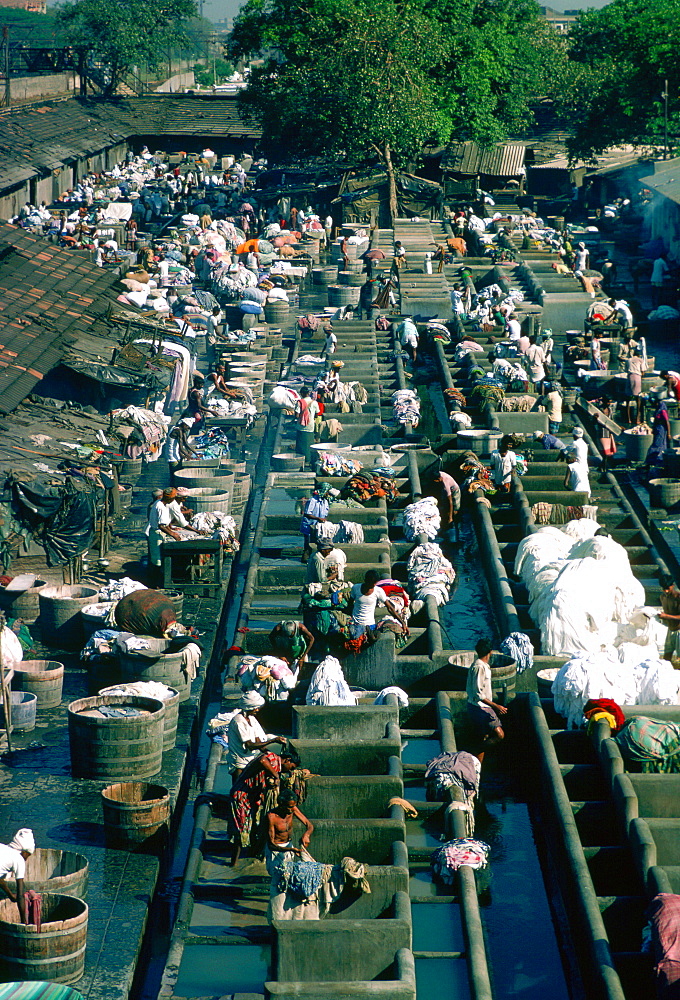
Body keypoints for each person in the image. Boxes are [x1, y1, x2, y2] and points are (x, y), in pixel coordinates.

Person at [229, 747, 304, 865]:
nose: (290, 771)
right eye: (291, 767)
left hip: (251, 797)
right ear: (287, 760)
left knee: (253, 826)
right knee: (242, 829)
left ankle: (250, 856)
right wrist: (276, 776)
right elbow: (262, 761)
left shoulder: (276, 763)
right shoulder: (273, 759)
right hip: (241, 795)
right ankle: (233, 864)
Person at [226, 691, 286, 780]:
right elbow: (250, 745)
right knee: (238, 789)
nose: (257, 710)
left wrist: (271, 754)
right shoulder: (238, 721)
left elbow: (258, 741)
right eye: (255, 708)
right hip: (239, 762)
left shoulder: (252, 719)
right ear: (248, 707)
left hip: (250, 759)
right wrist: (273, 740)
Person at [465, 638, 506, 763]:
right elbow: (478, 694)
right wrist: (495, 706)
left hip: (479, 706)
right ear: (490, 652)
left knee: (484, 737)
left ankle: (477, 767)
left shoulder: (482, 666)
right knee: (500, 735)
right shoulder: (479, 667)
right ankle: (473, 751)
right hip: (480, 708)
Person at [349, 569, 406, 640]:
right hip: (355, 623)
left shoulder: (378, 591)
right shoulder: (356, 588)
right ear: (365, 580)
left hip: (369, 625)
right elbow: (350, 604)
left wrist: (402, 623)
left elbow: (390, 608)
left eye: (374, 583)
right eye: (370, 583)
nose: (372, 585)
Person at [0, 829, 35, 924]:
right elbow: (20, 895)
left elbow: (0, 879)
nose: (26, 859)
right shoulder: (18, 859)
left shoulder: (3, 848)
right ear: (24, 851)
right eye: (28, 855)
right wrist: (24, 923)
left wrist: (10, 895)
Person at [267, 790, 314, 859]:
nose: (291, 810)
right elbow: (271, 845)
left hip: (289, 845)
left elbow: (309, 825)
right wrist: (291, 850)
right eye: (289, 807)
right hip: (275, 851)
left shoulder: (293, 809)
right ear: (281, 805)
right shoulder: (272, 817)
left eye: (293, 806)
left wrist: (307, 835)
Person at [299, 483, 332, 563]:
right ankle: (305, 559)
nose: (328, 493)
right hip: (309, 525)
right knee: (308, 544)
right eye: (327, 492)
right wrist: (318, 518)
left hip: (318, 526)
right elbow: (307, 514)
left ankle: (315, 559)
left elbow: (325, 514)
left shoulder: (325, 501)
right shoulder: (312, 501)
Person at [294, 388, 320, 469]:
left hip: (301, 426)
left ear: (301, 393)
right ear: (308, 393)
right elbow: (317, 414)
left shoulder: (299, 402)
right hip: (310, 425)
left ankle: (301, 460)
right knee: (309, 443)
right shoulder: (314, 402)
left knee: (301, 444)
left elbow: (296, 415)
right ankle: (309, 460)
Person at [433, 468, 461, 540]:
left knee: (455, 510)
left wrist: (450, 517)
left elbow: (450, 502)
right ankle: (445, 526)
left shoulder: (446, 485)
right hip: (446, 491)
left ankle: (454, 526)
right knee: (444, 508)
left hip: (454, 490)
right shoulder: (438, 473)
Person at [646, 396, 672, 468]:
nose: (656, 404)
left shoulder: (663, 411)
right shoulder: (658, 409)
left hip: (661, 429)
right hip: (657, 428)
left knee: (658, 444)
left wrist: (669, 433)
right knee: (658, 444)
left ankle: (655, 459)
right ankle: (654, 460)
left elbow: (667, 422)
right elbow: (651, 400)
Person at [595, 397, 617, 474]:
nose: (608, 404)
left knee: (607, 453)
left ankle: (602, 467)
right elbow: (594, 421)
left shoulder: (610, 410)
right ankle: (603, 467)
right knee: (604, 453)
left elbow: (612, 421)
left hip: (608, 433)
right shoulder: (599, 410)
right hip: (601, 433)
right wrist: (595, 418)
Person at [625, 350, 645, 425]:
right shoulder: (640, 360)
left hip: (630, 377)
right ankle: (637, 419)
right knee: (638, 399)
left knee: (628, 400)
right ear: (639, 355)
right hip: (637, 378)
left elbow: (626, 370)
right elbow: (642, 372)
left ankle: (628, 419)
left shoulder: (628, 360)